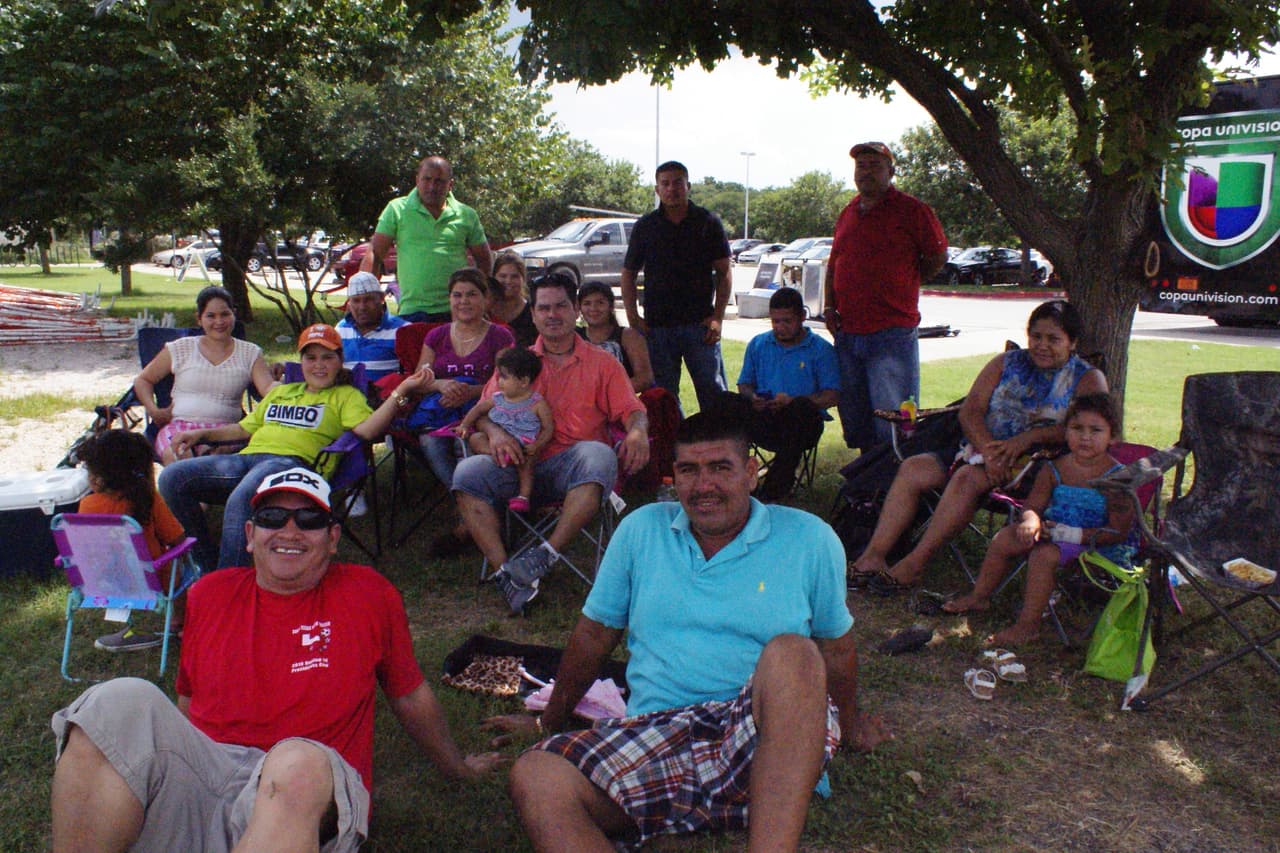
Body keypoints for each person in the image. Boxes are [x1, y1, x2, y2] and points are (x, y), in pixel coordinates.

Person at [480, 411, 890, 851]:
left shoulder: (809, 538)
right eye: (688, 470)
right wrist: (551, 721)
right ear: (673, 476)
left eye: (720, 468)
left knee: (795, 653)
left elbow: (835, 649)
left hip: (764, 741)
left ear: (751, 473)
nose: (703, 486)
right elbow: (594, 635)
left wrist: (850, 726)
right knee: (536, 774)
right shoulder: (641, 530)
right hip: (656, 738)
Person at [50, 469, 502, 853]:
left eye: (308, 519)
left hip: (310, 783)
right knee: (113, 701)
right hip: (213, 775)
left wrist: (456, 767)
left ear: (333, 539)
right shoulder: (209, 594)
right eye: (271, 517)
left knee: (294, 762)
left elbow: (409, 694)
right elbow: (188, 701)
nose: (289, 531)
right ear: (249, 536)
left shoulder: (369, 593)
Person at [851, 300, 1109, 595]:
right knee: (914, 467)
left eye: (1054, 339)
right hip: (980, 450)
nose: (1042, 345)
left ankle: (913, 564)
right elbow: (970, 411)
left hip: (1039, 465)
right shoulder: (1006, 363)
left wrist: (1025, 440)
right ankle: (873, 557)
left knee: (968, 478)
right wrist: (989, 451)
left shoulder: (1087, 377)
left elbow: (1087, 428)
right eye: (1036, 337)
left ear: (1072, 342)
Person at [158, 323, 434, 571]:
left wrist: (402, 391)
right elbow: (244, 429)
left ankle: (228, 585)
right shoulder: (282, 392)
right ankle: (204, 565)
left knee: (242, 497)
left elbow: (369, 430)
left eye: (328, 357)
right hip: (248, 459)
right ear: (301, 362)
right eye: (311, 357)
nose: (319, 365)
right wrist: (201, 435)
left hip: (294, 467)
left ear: (340, 361)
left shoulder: (345, 396)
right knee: (173, 478)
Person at [453, 272, 649, 613]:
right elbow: (482, 412)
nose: (552, 315)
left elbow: (633, 410)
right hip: (514, 465)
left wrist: (637, 431)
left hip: (572, 470)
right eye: (543, 308)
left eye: (561, 306)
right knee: (467, 471)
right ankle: (506, 574)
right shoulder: (515, 362)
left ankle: (543, 556)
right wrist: (495, 433)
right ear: (533, 314)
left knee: (598, 454)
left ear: (575, 309)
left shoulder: (603, 363)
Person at [943, 393, 1136, 645]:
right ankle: (979, 595)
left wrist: (1069, 535)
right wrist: (1030, 521)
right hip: (1051, 535)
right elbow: (1033, 505)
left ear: (1113, 437)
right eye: (1077, 428)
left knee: (1044, 555)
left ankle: (1028, 625)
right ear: (1065, 432)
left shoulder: (1118, 477)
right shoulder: (1053, 468)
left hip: (1098, 546)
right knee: (1006, 538)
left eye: (1096, 430)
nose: (1085, 437)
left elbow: (1118, 531)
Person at [823, 141, 949, 453]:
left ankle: (896, 482)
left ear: (891, 172)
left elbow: (936, 256)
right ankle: (867, 484)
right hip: (849, 333)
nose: (865, 172)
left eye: (874, 166)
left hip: (891, 334)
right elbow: (835, 262)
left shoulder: (913, 210)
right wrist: (828, 305)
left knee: (894, 419)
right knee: (856, 416)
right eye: (860, 166)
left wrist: (906, 280)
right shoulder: (848, 212)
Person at [411, 268, 516, 557]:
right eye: (457, 295)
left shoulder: (500, 335)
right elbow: (419, 382)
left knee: (473, 439)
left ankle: (471, 520)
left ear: (486, 299)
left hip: (486, 412)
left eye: (472, 294)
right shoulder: (437, 335)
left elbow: (509, 384)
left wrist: (471, 392)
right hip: (441, 413)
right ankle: (470, 507)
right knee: (430, 442)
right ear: (449, 300)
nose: (463, 301)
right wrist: (442, 384)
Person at [620, 160, 732, 413]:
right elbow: (628, 274)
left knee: (714, 394)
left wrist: (717, 318)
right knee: (663, 400)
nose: (672, 188)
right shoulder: (646, 226)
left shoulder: (708, 222)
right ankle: (674, 449)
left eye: (678, 182)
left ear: (688, 186)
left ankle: (719, 448)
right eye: (665, 183)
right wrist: (633, 318)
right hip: (657, 328)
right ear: (657, 190)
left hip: (700, 326)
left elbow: (724, 272)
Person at [134, 285, 276, 465]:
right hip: (181, 427)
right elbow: (143, 380)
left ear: (234, 314)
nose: (219, 321)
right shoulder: (181, 348)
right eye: (211, 316)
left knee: (221, 461)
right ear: (199, 319)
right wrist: (154, 411)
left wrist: (287, 381)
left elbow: (268, 389)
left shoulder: (250, 353)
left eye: (225, 314)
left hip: (228, 433)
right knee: (178, 455)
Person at [75, 429, 187, 653]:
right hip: (149, 580)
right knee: (179, 568)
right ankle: (178, 623)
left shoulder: (87, 506)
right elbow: (176, 538)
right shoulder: (146, 500)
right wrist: (184, 549)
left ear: (98, 478)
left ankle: (124, 628)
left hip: (102, 581)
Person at [728, 286, 840, 501]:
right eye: (775, 321)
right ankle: (727, 476)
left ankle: (773, 491)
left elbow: (833, 395)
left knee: (800, 410)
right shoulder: (759, 344)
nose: (780, 328)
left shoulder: (821, 349)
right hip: (764, 417)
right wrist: (753, 398)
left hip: (801, 421)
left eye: (787, 321)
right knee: (724, 400)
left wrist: (793, 401)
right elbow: (744, 384)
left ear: (802, 317)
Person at [363, 156, 493, 322]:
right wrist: (363, 293)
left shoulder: (466, 215)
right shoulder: (397, 209)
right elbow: (374, 252)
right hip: (413, 311)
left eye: (439, 181)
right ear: (417, 180)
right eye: (427, 179)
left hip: (456, 312)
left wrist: (480, 297)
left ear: (450, 185)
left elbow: (483, 259)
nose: (432, 186)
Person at [457, 347, 554, 515]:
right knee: (476, 438)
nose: (499, 381)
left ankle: (523, 496)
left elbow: (548, 428)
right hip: (495, 442)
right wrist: (464, 425)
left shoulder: (537, 403)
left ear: (523, 381)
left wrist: (538, 444)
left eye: (503, 377)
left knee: (528, 463)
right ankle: (499, 455)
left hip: (523, 445)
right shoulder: (497, 398)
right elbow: (477, 410)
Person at [576, 280, 655, 393]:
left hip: (622, 402)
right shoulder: (574, 337)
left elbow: (644, 378)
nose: (593, 308)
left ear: (611, 306)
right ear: (579, 309)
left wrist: (609, 394)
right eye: (587, 303)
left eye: (600, 303)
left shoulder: (629, 336)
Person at [335, 271, 408, 381]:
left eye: (368, 299)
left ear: (381, 299)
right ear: (349, 304)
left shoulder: (403, 330)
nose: (362, 307)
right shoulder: (340, 329)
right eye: (356, 300)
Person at [489, 250, 537, 346]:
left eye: (514, 276)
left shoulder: (533, 312)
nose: (508, 281)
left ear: (523, 279)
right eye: (503, 276)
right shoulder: (485, 311)